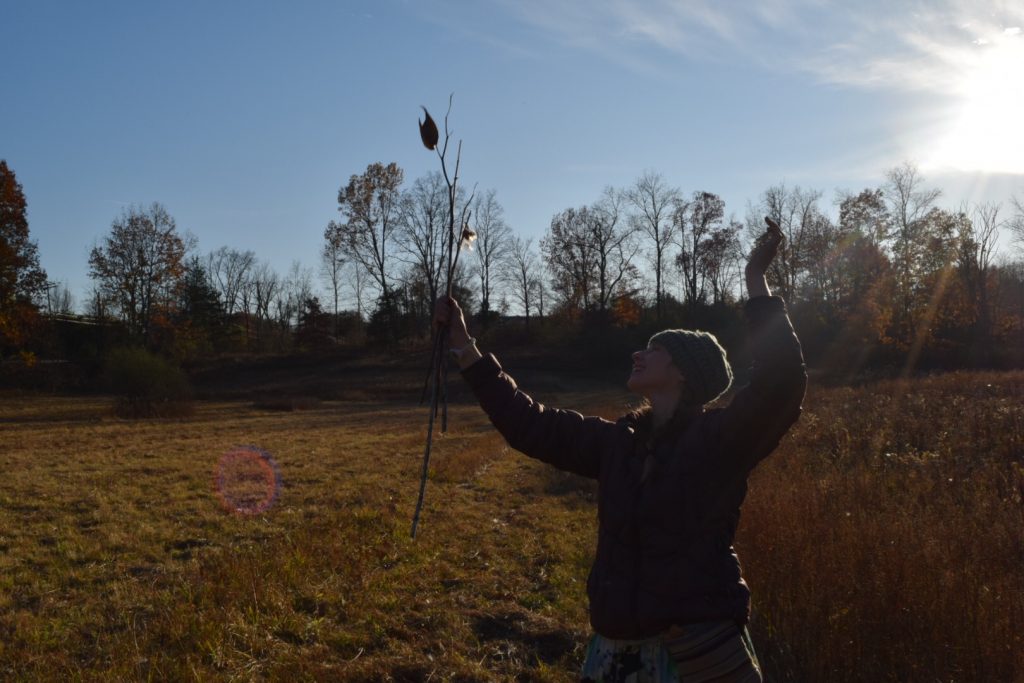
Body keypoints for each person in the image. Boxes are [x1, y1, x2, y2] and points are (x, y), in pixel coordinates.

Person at [433, 217, 806, 682]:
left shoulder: (720, 442)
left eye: (654, 350)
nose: (638, 354)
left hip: (695, 656)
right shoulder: (618, 444)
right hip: (613, 653)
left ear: (684, 373)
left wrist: (756, 281)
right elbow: (530, 425)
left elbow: (781, 385)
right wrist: (465, 349)